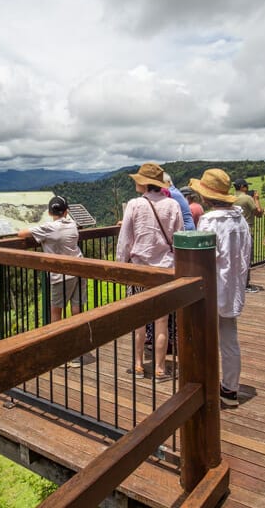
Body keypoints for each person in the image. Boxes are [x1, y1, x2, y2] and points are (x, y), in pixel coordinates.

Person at [189, 168, 250, 407]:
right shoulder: (239, 219)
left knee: (203, 337)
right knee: (229, 337)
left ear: (206, 196)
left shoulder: (210, 221)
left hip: (212, 287)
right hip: (234, 284)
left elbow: (204, 257)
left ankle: (203, 383)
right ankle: (230, 387)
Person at [116, 162, 183, 381]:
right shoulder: (172, 205)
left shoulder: (134, 205)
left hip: (139, 271)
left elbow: (124, 240)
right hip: (164, 270)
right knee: (161, 321)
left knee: (139, 320)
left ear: (144, 183)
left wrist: (120, 266)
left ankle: (137, 365)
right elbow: (179, 237)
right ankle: (160, 369)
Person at [17, 196, 86, 328]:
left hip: (61, 275)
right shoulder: (72, 225)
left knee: (56, 313)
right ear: (66, 212)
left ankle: (59, 344)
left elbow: (21, 234)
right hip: (79, 269)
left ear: (49, 213)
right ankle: (77, 341)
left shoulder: (48, 228)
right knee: (77, 309)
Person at [233, 178, 263, 293]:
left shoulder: (232, 198)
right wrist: (256, 199)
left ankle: (236, 282)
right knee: (247, 258)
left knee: (236, 258)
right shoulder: (247, 198)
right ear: (242, 187)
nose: (248, 188)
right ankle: (245, 284)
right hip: (247, 231)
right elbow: (259, 213)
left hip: (235, 231)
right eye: (246, 186)